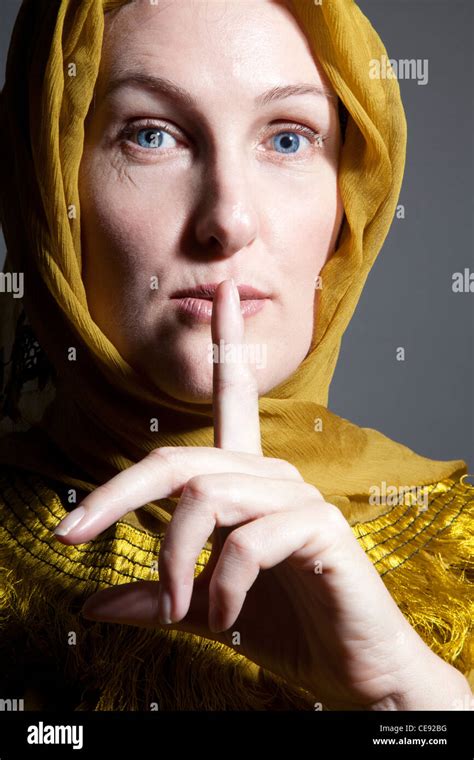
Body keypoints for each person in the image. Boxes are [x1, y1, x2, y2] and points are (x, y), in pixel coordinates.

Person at [0, 0, 472, 712]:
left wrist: (409, 704)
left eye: (288, 140)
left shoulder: (459, 560)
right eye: (151, 134)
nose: (228, 219)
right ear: (49, 179)